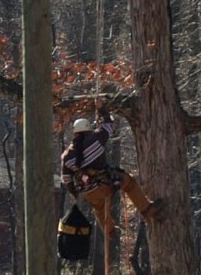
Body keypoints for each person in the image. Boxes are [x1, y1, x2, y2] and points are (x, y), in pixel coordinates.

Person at [61, 100, 163, 236]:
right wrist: (102, 109)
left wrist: (75, 194)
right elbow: (109, 125)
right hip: (105, 184)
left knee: (98, 207)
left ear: (75, 133)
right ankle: (146, 209)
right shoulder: (96, 139)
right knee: (128, 182)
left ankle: (109, 230)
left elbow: (67, 180)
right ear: (88, 130)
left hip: (87, 192)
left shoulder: (67, 156)